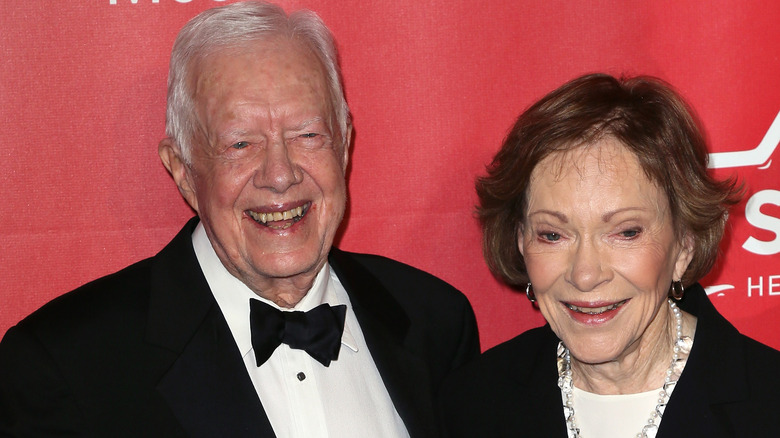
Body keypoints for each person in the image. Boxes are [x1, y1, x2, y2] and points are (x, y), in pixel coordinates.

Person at [0, 2, 479, 437]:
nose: (280, 175)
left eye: (308, 134)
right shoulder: (66, 364)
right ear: (183, 171)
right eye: (240, 144)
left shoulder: (435, 323)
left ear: (346, 145)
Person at [439, 73, 780, 437]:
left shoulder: (768, 404)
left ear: (684, 244)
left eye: (626, 232)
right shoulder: (470, 404)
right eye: (553, 234)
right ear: (521, 242)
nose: (585, 274)